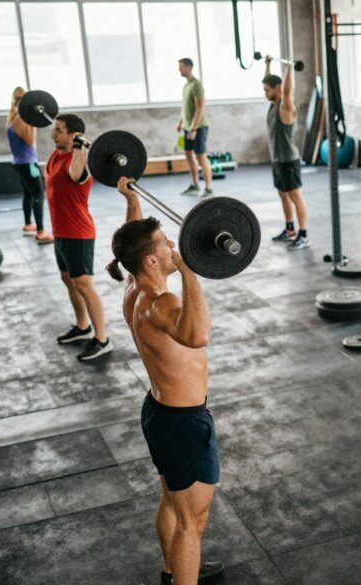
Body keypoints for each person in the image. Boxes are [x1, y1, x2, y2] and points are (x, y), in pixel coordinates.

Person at [109, 177, 224, 585]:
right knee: (193, 521)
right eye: (166, 245)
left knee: (172, 501)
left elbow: (132, 243)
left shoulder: (132, 288)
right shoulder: (163, 302)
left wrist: (131, 200)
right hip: (184, 422)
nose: (173, 247)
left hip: (159, 413)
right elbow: (198, 335)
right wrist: (194, 272)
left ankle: (173, 571)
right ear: (152, 262)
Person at [48, 113, 112, 362]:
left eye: (59, 130)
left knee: (84, 285)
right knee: (68, 281)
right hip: (60, 233)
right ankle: (82, 325)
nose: (53, 134)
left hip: (78, 234)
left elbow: (76, 175)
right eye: (54, 129)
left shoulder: (79, 164)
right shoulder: (56, 156)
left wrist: (79, 148)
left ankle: (102, 339)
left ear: (73, 134)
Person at [262, 55, 309, 250]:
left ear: (277, 89)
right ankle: (289, 229)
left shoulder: (285, 107)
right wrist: (268, 65)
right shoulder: (273, 104)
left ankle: (303, 234)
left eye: (267, 90)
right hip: (278, 160)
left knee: (295, 197)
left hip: (289, 160)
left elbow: (287, 91)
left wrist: (289, 68)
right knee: (283, 195)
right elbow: (270, 81)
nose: (265, 93)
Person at [6, 87, 53, 244]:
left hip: (20, 163)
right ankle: (40, 232)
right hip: (27, 164)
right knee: (39, 194)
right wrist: (33, 122)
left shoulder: (12, 117)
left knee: (28, 194)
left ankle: (28, 224)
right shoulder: (21, 119)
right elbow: (30, 141)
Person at [177, 58, 213, 197]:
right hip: (187, 126)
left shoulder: (197, 85)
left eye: (181, 67)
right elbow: (185, 106)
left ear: (189, 67)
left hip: (199, 127)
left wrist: (193, 128)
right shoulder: (186, 85)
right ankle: (195, 185)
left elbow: (199, 108)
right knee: (188, 154)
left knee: (200, 157)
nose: (179, 69)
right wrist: (180, 122)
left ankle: (209, 188)